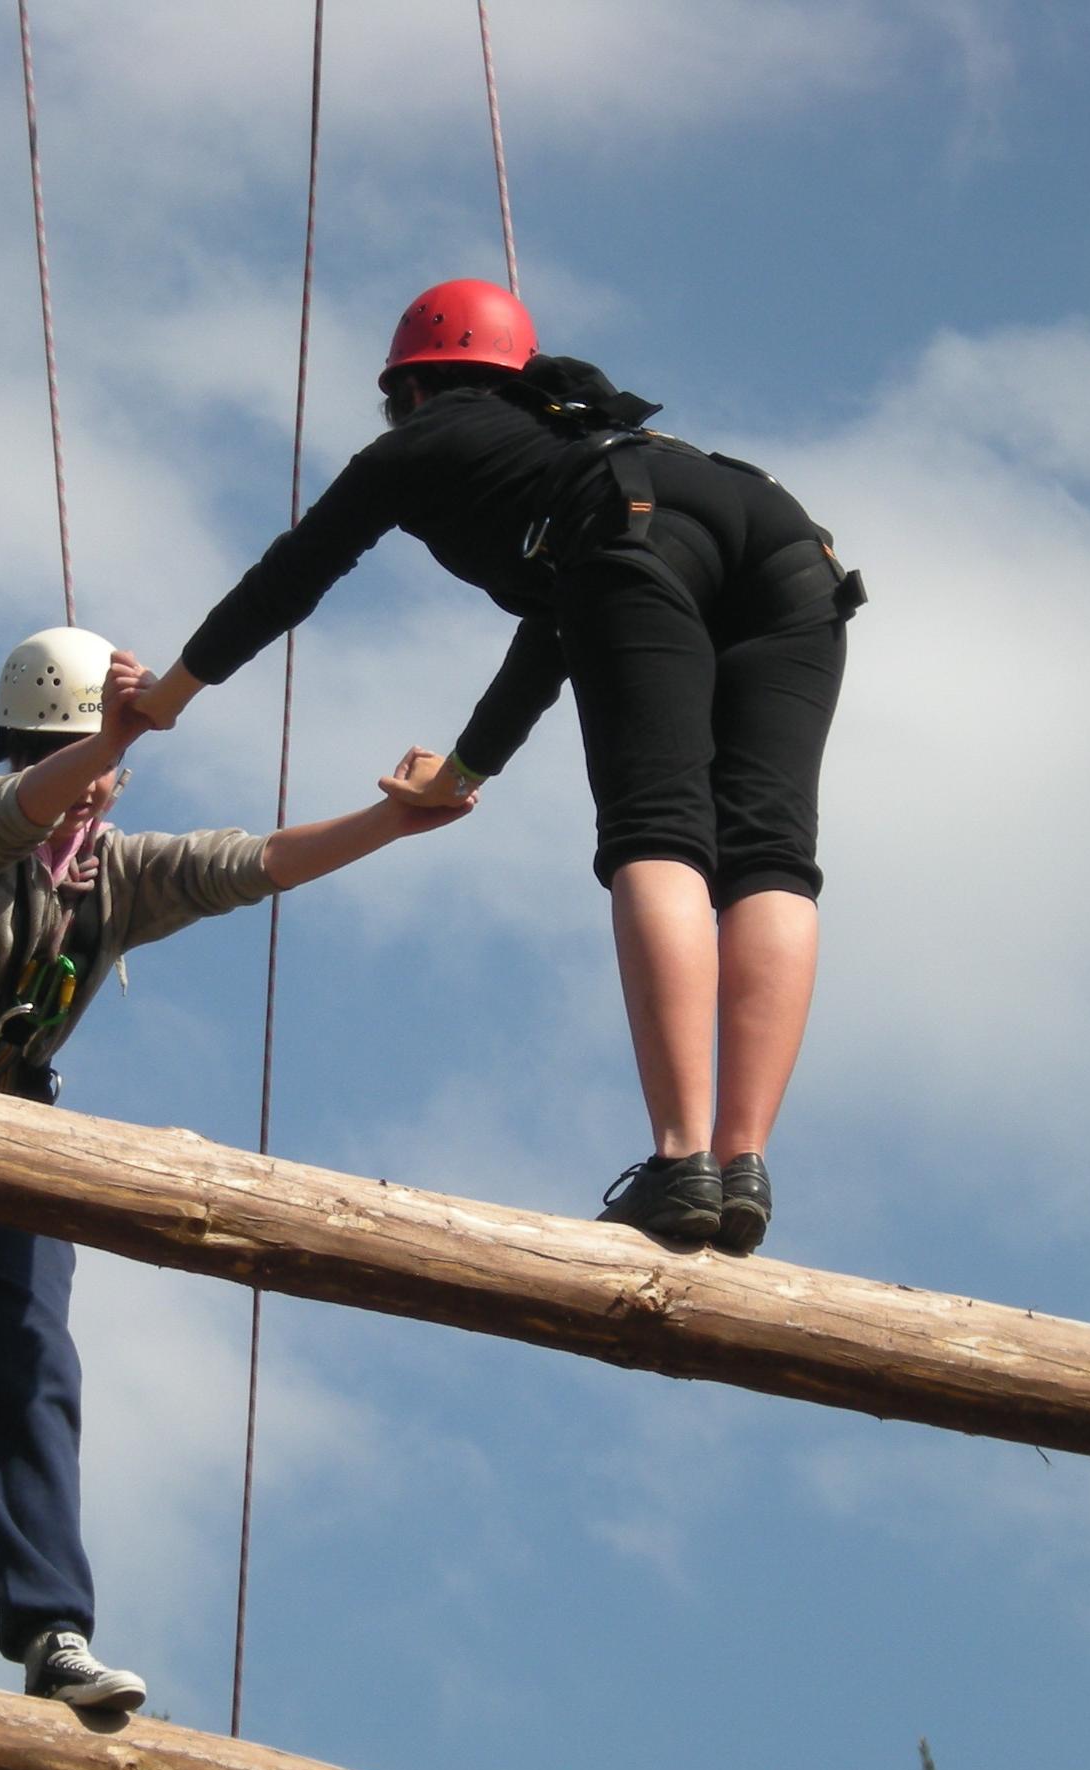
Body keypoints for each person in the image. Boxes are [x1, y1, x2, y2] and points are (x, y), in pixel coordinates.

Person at [0, 625, 468, 1712]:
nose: (99, 785)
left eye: (112, 765)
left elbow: (255, 864)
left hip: (14, 1132)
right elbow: (21, 810)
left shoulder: (119, 877)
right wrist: (108, 736)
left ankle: (53, 1626)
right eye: (84, 758)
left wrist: (396, 818)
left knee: (30, 1376)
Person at [133, 279, 863, 1254]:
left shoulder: (425, 447)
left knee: (660, 828)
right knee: (771, 856)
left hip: (640, 534)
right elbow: (562, 628)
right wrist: (463, 776)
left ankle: (684, 1159)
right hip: (788, 546)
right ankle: (743, 1165)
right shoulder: (575, 449)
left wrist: (168, 697)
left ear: (416, 390)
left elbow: (292, 575)